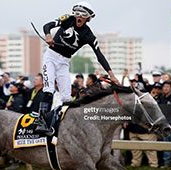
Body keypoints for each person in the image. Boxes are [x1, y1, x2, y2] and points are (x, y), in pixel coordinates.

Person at [36, 1, 120, 133]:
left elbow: (99, 55)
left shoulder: (88, 35)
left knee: (66, 98)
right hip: (50, 57)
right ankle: (41, 122)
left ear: (88, 18)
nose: (79, 16)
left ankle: (62, 124)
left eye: (83, 14)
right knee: (49, 89)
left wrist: (112, 76)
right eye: (77, 13)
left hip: (64, 62)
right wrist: (48, 36)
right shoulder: (67, 19)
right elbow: (47, 25)